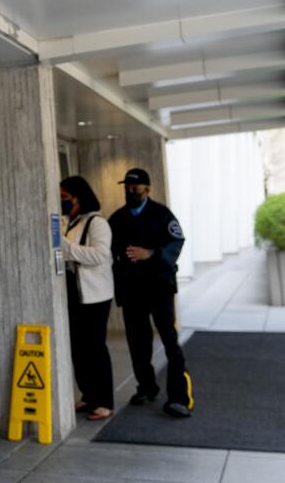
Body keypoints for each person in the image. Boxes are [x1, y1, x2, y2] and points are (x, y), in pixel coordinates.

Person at [108, 168, 193, 418]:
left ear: (147, 189)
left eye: (135, 188)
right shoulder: (118, 218)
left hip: (159, 288)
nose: (130, 191)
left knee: (169, 339)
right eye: (126, 187)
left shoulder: (161, 214)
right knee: (137, 341)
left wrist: (151, 254)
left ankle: (178, 397)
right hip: (132, 290)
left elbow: (176, 242)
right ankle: (146, 387)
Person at [56, 175, 115, 420]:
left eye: (65, 198)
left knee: (95, 348)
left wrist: (68, 249)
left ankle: (104, 400)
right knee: (78, 349)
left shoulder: (97, 223)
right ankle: (89, 395)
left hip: (95, 295)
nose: (63, 202)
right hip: (74, 294)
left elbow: (100, 255)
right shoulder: (70, 222)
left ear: (79, 196)